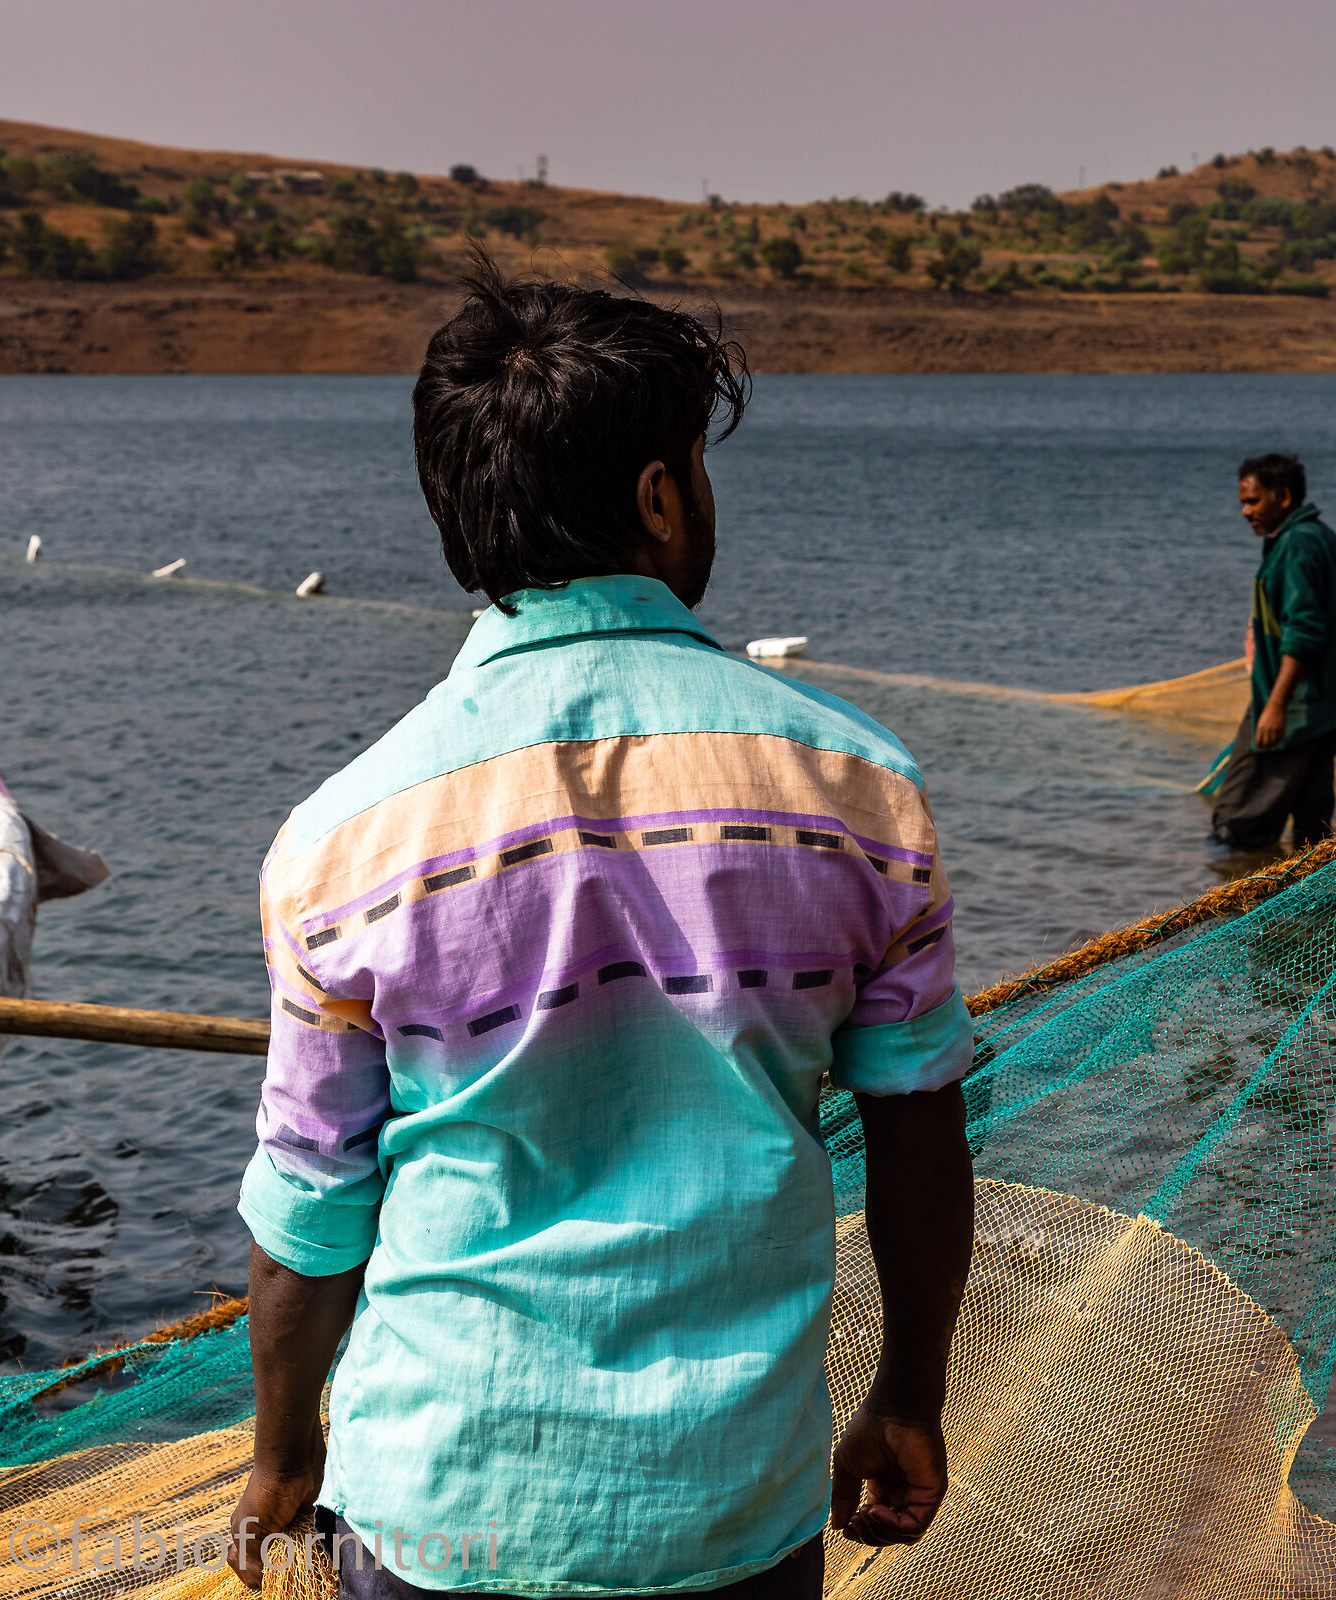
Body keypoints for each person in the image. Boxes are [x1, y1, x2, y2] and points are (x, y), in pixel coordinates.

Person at [227, 264, 975, 1597]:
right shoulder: (860, 792)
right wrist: (908, 1395)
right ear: (657, 496)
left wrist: (287, 1450)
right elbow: (917, 1134)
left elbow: (311, 1205)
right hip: (729, 1506)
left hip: (440, 1505)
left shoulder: (343, 841)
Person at [1209, 452, 1336, 851]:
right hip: (1321, 705)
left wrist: (1276, 705)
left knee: (1238, 820)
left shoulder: (1297, 544)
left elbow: (1304, 631)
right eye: (1243, 503)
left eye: (1253, 500)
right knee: (1312, 826)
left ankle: (1235, 902)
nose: (1245, 512)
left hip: (1296, 704)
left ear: (1283, 497)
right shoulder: (1318, 536)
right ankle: (1309, 911)